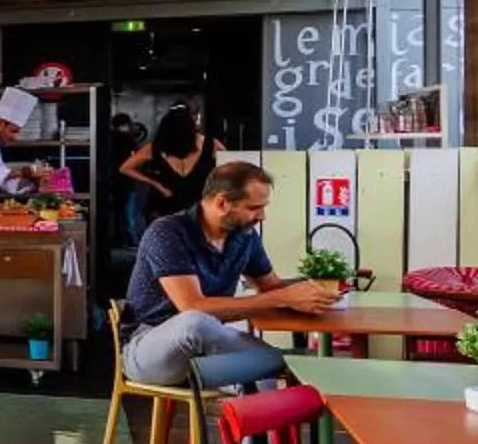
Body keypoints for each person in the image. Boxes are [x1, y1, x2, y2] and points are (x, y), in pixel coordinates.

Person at [120, 160, 342, 385]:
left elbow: (271, 287)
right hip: (146, 350)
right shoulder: (167, 232)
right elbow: (191, 306)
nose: (262, 216)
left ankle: (276, 371)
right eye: (254, 208)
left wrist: (314, 289)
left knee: (258, 372)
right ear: (222, 202)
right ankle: (284, 361)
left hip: (205, 355)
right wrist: (281, 297)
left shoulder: (244, 236)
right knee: (195, 323)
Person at [120, 104, 222, 221]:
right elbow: (234, 167)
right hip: (199, 207)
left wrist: (156, 184)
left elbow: (125, 168)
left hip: (165, 205)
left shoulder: (156, 147)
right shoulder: (209, 144)